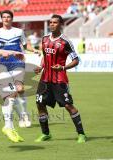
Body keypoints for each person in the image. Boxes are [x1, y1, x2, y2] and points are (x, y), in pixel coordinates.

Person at [34, 14, 87, 143]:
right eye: (50, 22)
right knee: (40, 104)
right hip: (45, 79)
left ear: (60, 24)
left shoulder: (65, 41)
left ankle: (81, 134)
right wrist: (41, 67)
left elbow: (76, 60)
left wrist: (63, 68)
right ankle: (46, 133)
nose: (52, 24)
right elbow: (45, 56)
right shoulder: (44, 39)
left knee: (69, 106)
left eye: (55, 22)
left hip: (59, 80)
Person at [0, 10, 31, 128]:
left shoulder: (19, 31)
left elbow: (26, 45)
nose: (6, 19)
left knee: (20, 88)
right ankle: (21, 115)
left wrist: (35, 50)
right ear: (1, 19)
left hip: (17, 62)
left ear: (12, 19)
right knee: (11, 93)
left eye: (8, 17)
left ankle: (25, 114)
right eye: (4, 17)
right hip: (2, 65)